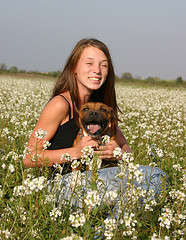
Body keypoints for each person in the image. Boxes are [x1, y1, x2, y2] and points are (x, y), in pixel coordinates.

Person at [23, 38, 132, 171]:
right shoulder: (60, 105)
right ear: (74, 67)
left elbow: (126, 146)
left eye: (104, 65)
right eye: (89, 63)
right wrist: (75, 152)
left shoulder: (100, 107)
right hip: (66, 183)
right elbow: (29, 158)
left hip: (97, 181)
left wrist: (119, 153)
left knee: (155, 174)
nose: (97, 70)